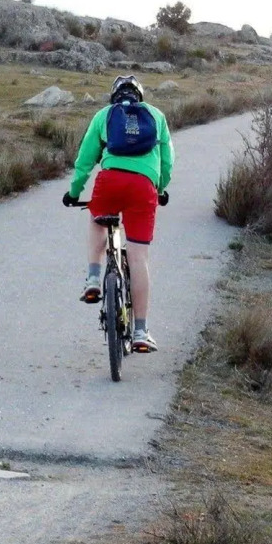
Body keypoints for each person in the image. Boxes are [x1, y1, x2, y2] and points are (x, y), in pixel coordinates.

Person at [62, 74, 173, 352]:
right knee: (139, 258)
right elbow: (168, 161)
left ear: (114, 95)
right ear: (140, 96)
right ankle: (139, 331)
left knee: (97, 220)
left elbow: (85, 158)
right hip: (144, 187)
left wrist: (74, 192)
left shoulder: (104, 115)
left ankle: (92, 278)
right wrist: (160, 188)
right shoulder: (156, 116)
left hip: (109, 182)